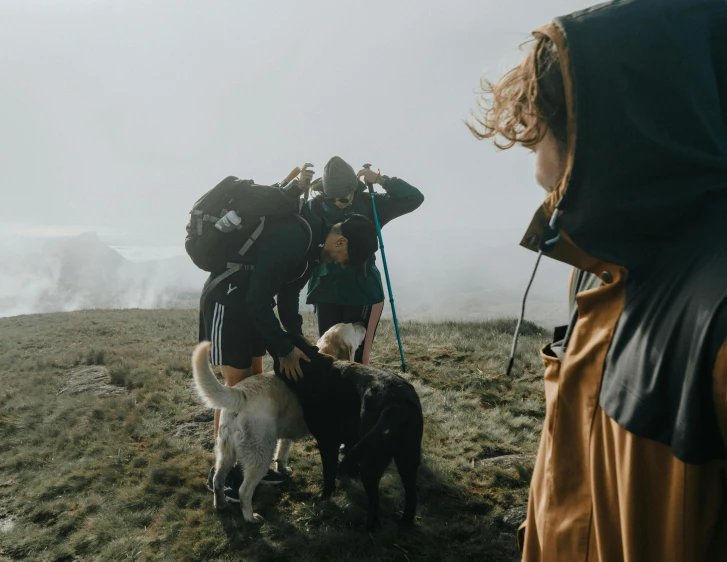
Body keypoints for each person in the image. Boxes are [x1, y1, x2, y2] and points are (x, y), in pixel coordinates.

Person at [470, 0, 727, 560]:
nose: (535, 168)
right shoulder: (601, 275)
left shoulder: (716, 314)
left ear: (608, 135)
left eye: (536, 136)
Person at [199, 165, 380, 498]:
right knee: (235, 388)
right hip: (231, 299)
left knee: (253, 381)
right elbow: (257, 297)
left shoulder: (311, 249)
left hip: (250, 305)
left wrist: (297, 344)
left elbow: (287, 294)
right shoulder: (299, 237)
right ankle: (221, 473)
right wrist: (282, 349)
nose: (343, 264)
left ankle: (248, 465)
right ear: (340, 241)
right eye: (346, 258)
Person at [306, 156, 423, 364]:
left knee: (357, 360)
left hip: (362, 292)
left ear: (354, 189)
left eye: (342, 199)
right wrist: (298, 186)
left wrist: (381, 179)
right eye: (330, 197)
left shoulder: (372, 204)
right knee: (326, 355)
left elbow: (414, 198)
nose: (337, 204)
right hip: (326, 292)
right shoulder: (315, 206)